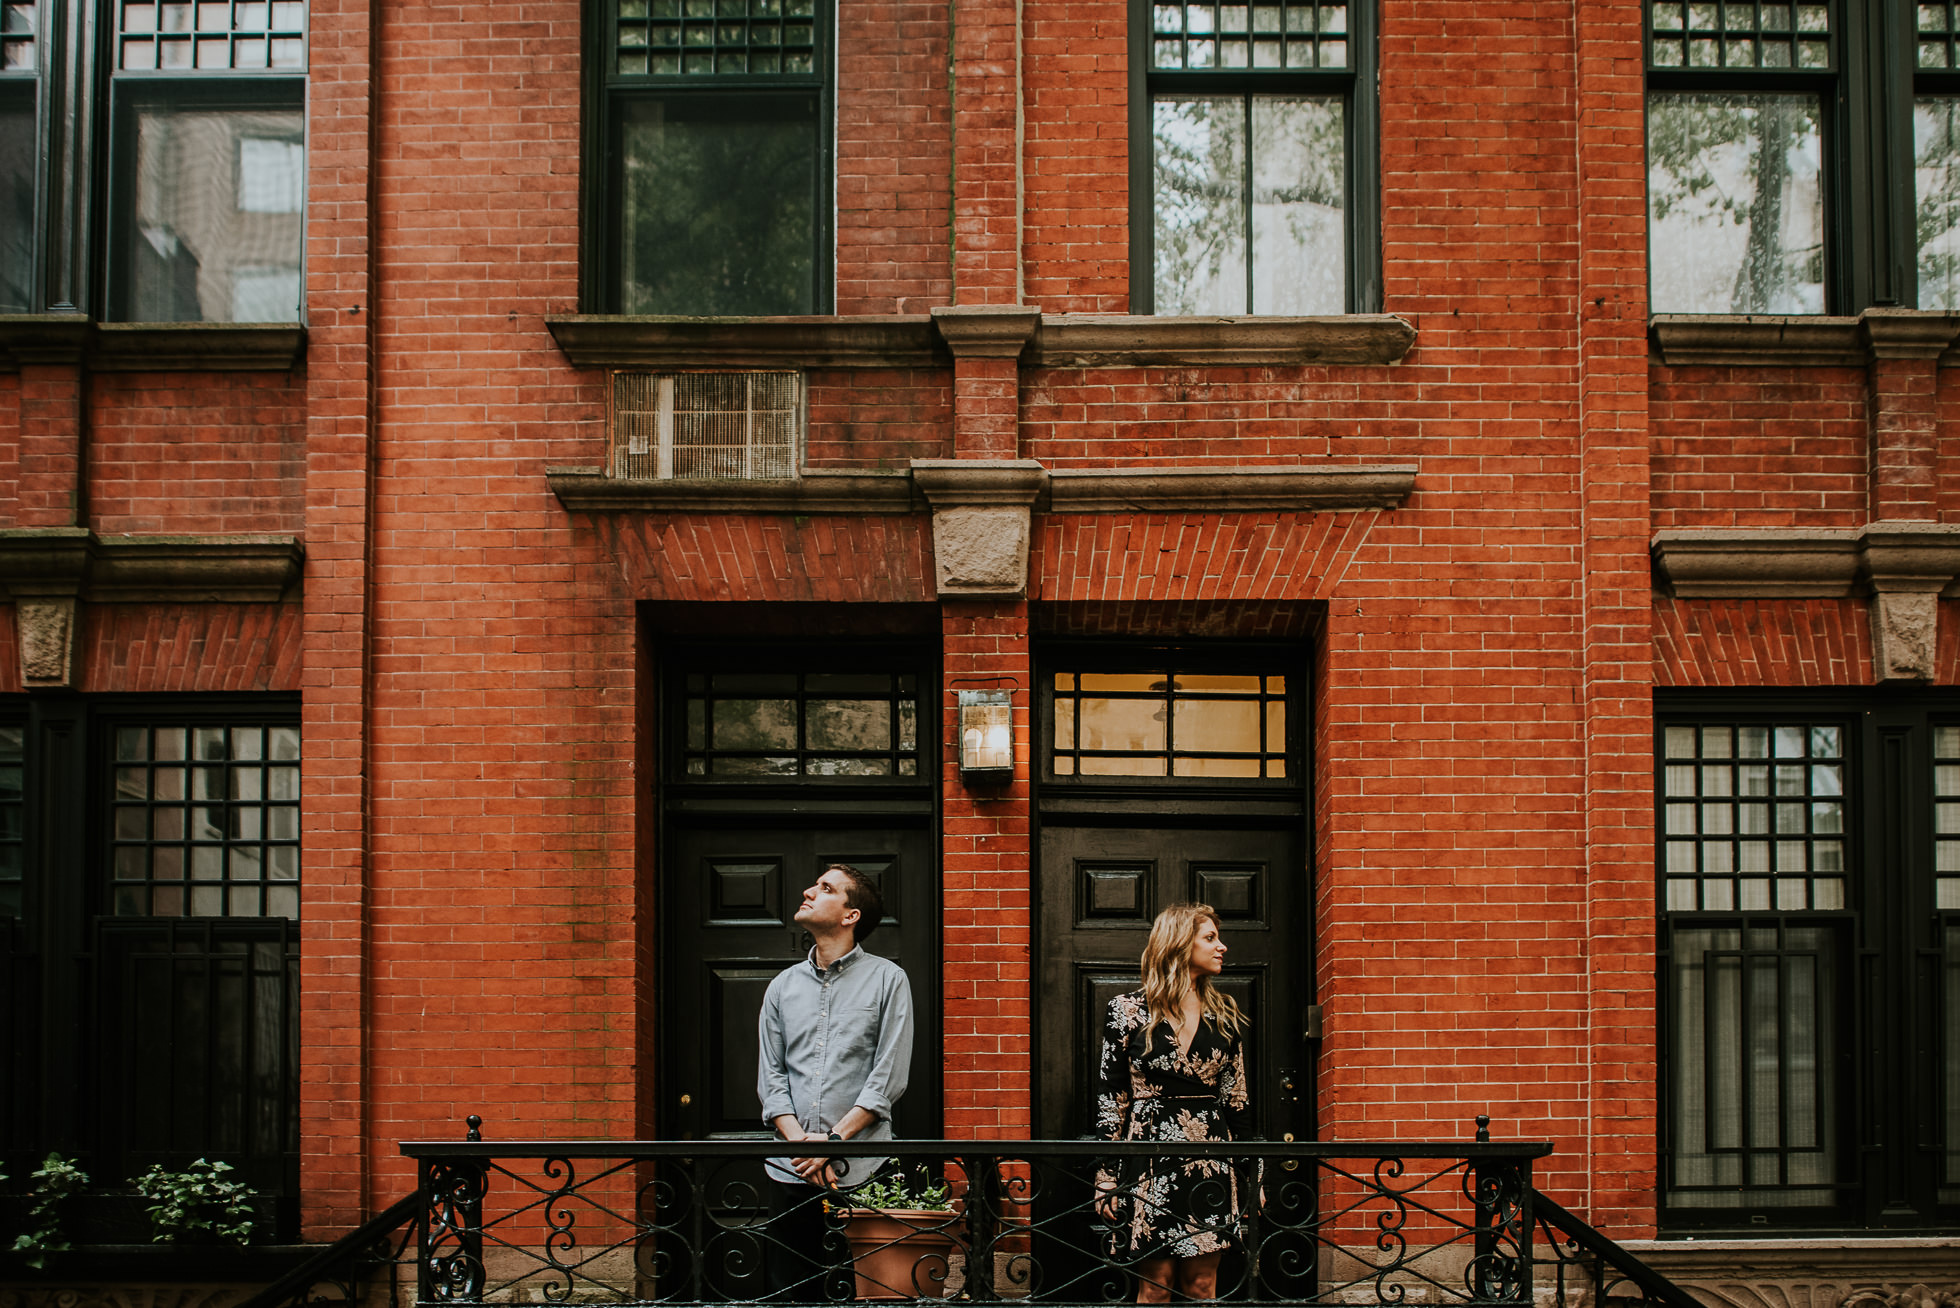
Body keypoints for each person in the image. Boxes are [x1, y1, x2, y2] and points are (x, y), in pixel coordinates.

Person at [756, 863, 915, 1301]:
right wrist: (801, 1147)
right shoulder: (781, 988)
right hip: (790, 1174)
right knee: (791, 1296)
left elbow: (888, 1076)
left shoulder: (888, 980)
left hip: (864, 1171)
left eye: (825, 888)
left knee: (866, 1295)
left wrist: (833, 1141)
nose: (808, 891)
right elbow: (771, 1078)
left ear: (851, 915)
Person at [1093, 902, 1257, 1304]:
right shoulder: (1128, 1010)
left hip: (1210, 1160)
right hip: (1150, 1156)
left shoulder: (1225, 1018)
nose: (1222, 947)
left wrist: (1253, 1176)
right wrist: (1106, 1176)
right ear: (1181, 944)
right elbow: (1112, 1096)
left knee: (1203, 1285)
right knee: (1156, 1285)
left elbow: (1237, 1101)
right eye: (1210, 938)